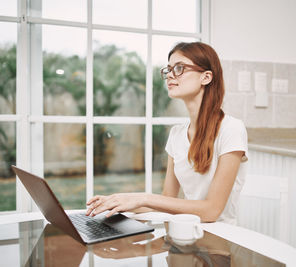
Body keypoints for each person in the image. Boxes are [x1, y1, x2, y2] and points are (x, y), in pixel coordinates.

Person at [86, 41, 248, 225]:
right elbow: (166, 201)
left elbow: (211, 212)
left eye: (179, 68)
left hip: (221, 240)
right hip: (184, 235)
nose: (170, 75)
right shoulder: (176, 135)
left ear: (206, 77)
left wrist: (144, 197)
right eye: (168, 69)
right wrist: (119, 202)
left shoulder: (231, 129)